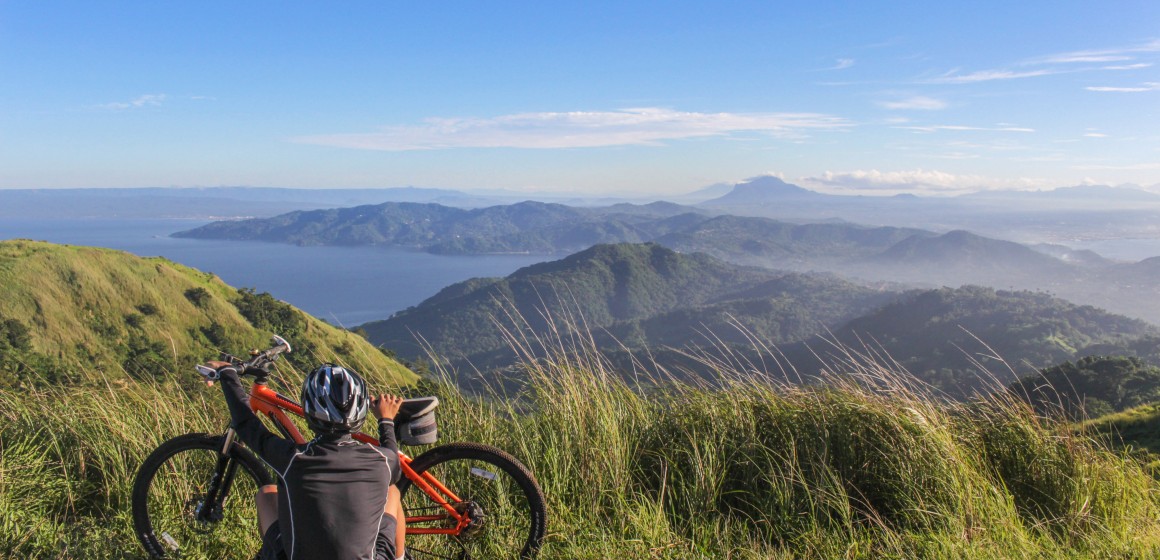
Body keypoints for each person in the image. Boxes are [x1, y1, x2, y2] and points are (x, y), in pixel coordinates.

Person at [208, 360, 407, 560]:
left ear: (309, 410)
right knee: (392, 491)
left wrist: (227, 373)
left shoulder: (291, 459)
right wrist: (386, 420)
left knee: (266, 494)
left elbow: (246, 423)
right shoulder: (384, 461)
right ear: (361, 411)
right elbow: (393, 459)